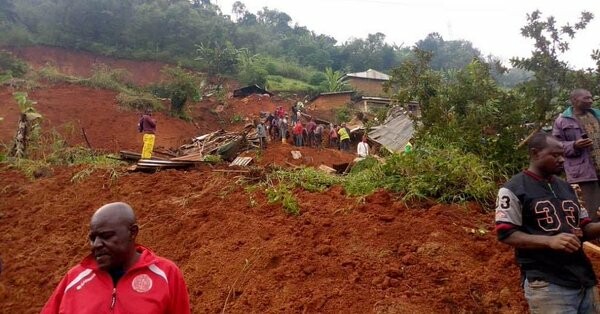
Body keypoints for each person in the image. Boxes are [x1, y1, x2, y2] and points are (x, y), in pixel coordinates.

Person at [495, 132, 600, 313]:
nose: (561, 160)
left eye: (563, 155)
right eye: (555, 155)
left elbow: (584, 228)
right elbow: (506, 233)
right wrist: (549, 241)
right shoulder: (513, 189)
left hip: (583, 280)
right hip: (548, 285)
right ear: (535, 154)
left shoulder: (566, 187)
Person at [42, 202, 191, 314]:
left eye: (106, 236)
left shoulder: (166, 274)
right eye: (93, 238)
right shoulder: (74, 279)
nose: (96, 245)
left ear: (132, 233)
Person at [553, 89, 600, 221]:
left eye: (591, 98)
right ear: (574, 100)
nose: (590, 101)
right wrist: (574, 145)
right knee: (592, 210)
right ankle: (592, 239)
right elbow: (556, 146)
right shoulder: (562, 121)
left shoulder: (597, 114)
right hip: (584, 172)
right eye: (586, 98)